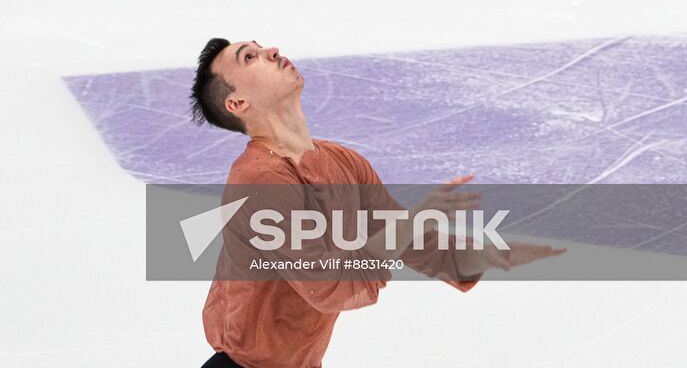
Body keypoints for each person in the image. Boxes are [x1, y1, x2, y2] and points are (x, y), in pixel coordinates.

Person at [189, 37, 565, 368]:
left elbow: (395, 232)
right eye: (249, 58)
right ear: (237, 102)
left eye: (262, 47)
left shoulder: (342, 161)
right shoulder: (260, 182)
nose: (271, 50)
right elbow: (329, 285)